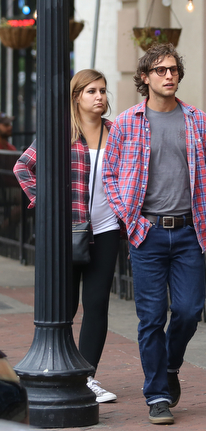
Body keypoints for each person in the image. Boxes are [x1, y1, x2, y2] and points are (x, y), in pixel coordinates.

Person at [102, 43, 206, 425]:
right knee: (150, 317)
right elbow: (110, 177)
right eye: (161, 70)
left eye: (174, 69)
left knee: (188, 310)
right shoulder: (126, 122)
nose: (169, 75)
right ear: (146, 78)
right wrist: (131, 221)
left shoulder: (198, 121)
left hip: (189, 231)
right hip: (147, 234)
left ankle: (170, 365)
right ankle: (157, 395)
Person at [13, 69, 119, 403]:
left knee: (98, 303)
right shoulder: (59, 133)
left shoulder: (116, 133)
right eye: (91, 91)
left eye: (102, 91)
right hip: (67, 232)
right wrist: (44, 205)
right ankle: (60, 367)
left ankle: (87, 377)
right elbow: (22, 167)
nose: (99, 97)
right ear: (76, 97)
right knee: (66, 305)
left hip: (107, 229)